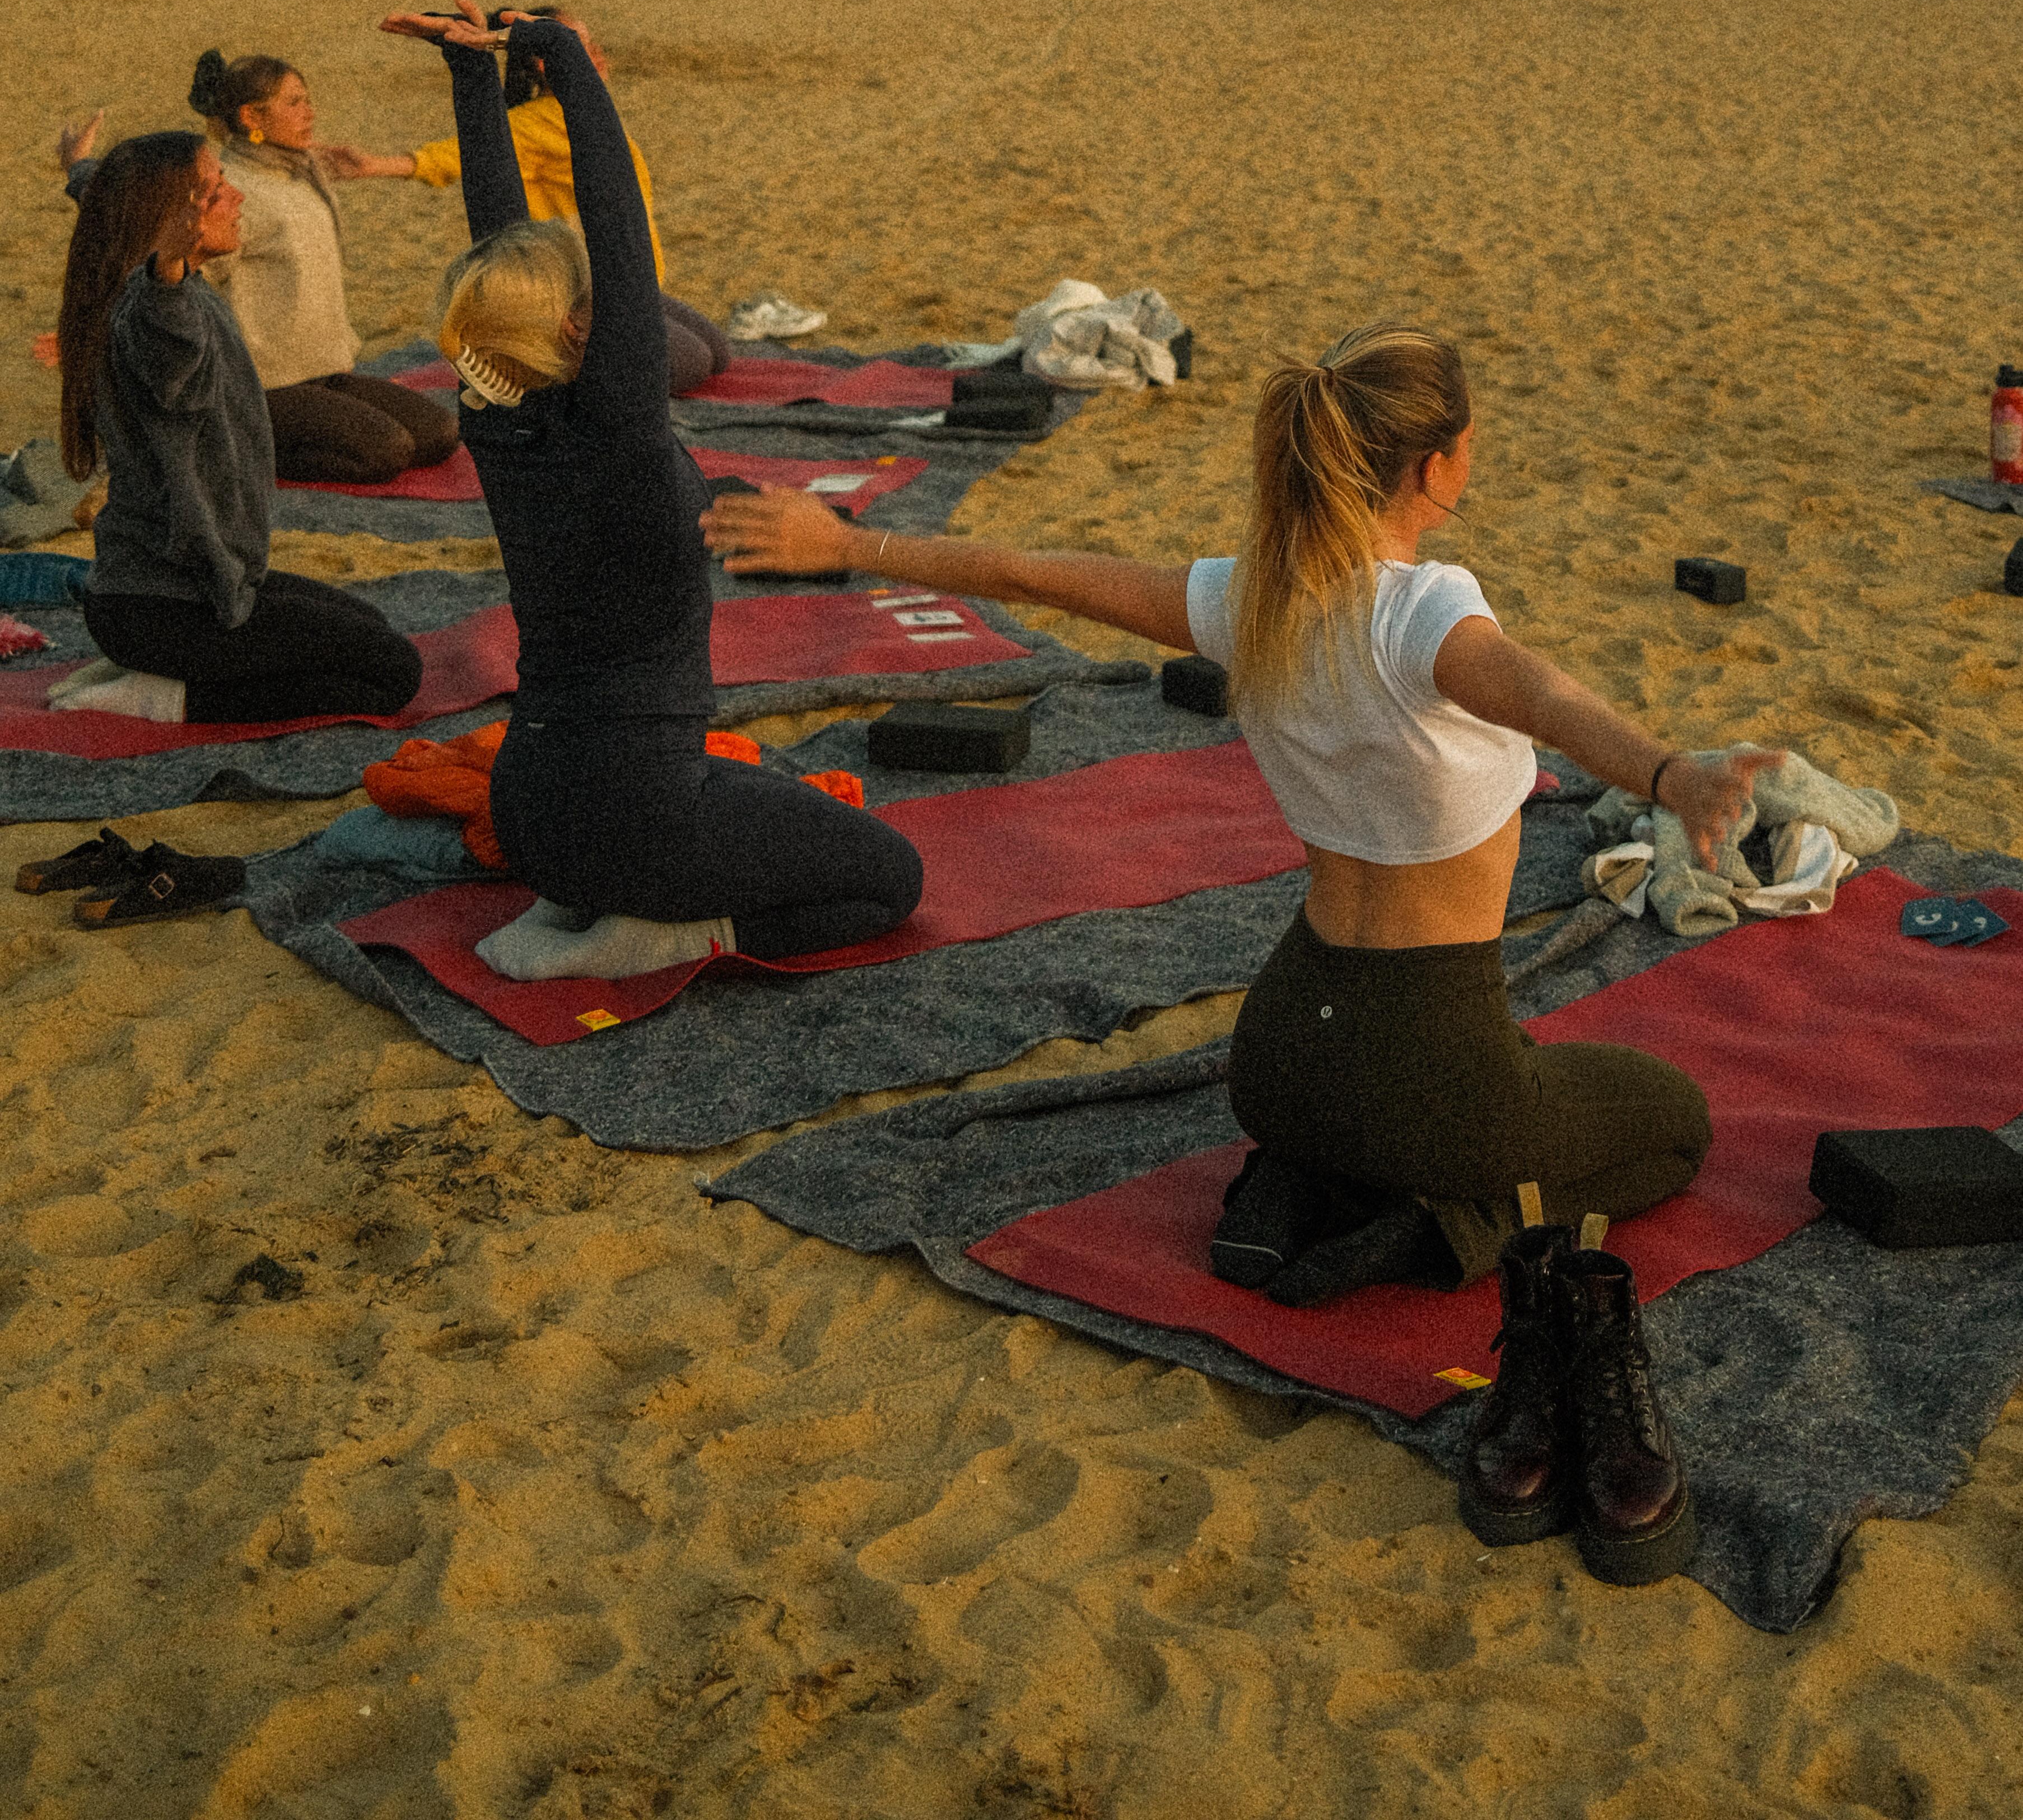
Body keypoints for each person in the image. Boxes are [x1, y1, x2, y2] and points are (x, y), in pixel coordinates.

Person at [703, 324, 1785, 1576]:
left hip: (1275, 1050)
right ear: (1444, 464)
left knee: (1475, 1086)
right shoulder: (1427, 609)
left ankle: (1310, 1177)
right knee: (1672, 1123)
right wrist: (1666, 769)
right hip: (1430, 1070)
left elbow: (1041, 569)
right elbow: (1537, 690)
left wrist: (851, 544)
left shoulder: (1249, 595)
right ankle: (1413, 1219)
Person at [380, 0, 920, 979]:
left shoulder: (496, 409)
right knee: (889, 879)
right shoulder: (615, 428)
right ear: (582, 331)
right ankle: (671, 932)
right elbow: (615, 214)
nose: (612, 294)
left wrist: (476, 76)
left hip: (534, 810)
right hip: (627, 821)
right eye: (593, 299)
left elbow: (500, 246)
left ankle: (608, 905)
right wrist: (563, 59)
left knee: (751, 798)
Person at [54, 132, 424, 724]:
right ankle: (164, 696)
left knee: (370, 629)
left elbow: (111, 205)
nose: (237, 197)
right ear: (175, 218)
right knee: (393, 674)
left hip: (192, 585)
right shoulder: (152, 313)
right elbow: (166, 334)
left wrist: (79, 170)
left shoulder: (129, 271)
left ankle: (158, 670)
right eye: (217, 190)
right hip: (162, 607)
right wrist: (169, 265)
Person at [326, 5, 732, 396]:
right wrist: (374, 166)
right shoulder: (533, 122)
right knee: (693, 360)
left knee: (718, 351)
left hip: (629, 286)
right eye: (584, 47)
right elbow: (461, 159)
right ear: (544, 62)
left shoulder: (576, 115)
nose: (600, 56)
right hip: (580, 296)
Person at [182, 49, 461, 485]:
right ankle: (228, 445)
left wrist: (363, 167)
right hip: (266, 385)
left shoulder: (300, 174)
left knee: (439, 433)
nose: (308, 113)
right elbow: (187, 276)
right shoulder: (232, 188)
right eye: (293, 103)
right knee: (386, 452)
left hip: (325, 371)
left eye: (307, 100)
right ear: (252, 118)